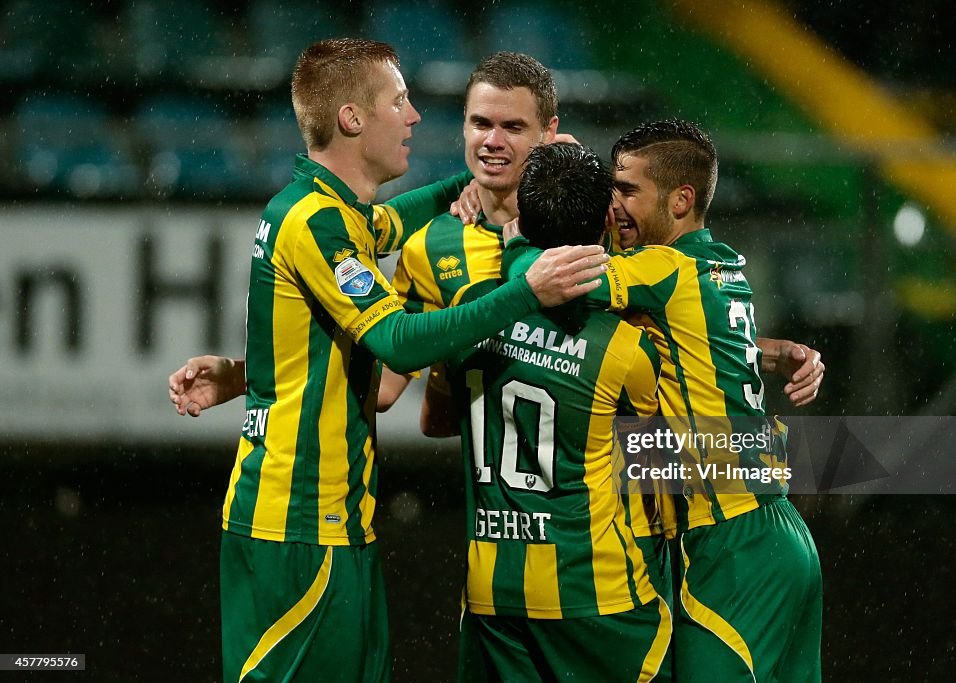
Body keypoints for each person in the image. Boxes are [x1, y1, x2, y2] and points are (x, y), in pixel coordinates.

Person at [178, 38, 609, 683]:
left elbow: (371, 374)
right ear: (353, 119)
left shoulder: (343, 216)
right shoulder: (330, 225)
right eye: (400, 102)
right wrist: (524, 290)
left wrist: (246, 375)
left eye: (511, 128)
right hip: (303, 519)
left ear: (544, 132)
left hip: (350, 518)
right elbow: (399, 352)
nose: (413, 117)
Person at [504, 119, 823, 682]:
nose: (613, 205)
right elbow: (705, 347)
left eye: (626, 190)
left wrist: (517, 239)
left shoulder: (663, 268)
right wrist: (783, 353)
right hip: (777, 529)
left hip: (731, 543)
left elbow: (553, 281)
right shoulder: (719, 264)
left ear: (680, 200)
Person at [433, 142, 671, 681]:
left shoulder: (468, 308)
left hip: (493, 592)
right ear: (603, 225)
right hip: (596, 596)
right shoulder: (625, 346)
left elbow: (434, 420)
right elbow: (657, 468)